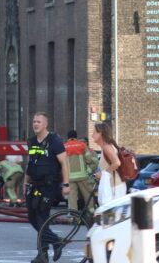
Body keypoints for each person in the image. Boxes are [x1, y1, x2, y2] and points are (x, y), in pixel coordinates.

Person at [24, 112, 70, 263]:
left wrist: (66, 184)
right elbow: (30, 164)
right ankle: (56, 241)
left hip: (49, 185)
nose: (35, 124)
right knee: (32, 218)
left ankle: (42, 255)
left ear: (45, 124)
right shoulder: (31, 141)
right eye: (34, 122)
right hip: (34, 184)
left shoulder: (54, 141)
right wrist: (26, 182)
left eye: (38, 122)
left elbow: (64, 163)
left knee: (41, 218)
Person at [64, 130, 98, 214]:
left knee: (72, 197)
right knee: (87, 194)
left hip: (70, 177)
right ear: (76, 137)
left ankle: (72, 215)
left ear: (68, 137)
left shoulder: (64, 147)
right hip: (83, 176)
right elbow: (89, 159)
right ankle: (92, 212)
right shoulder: (82, 145)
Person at [92, 122, 126, 206]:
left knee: (114, 216)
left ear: (101, 133)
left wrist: (103, 174)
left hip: (115, 187)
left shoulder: (107, 147)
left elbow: (117, 163)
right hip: (114, 186)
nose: (92, 135)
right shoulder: (106, 147)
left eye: (94, 133)